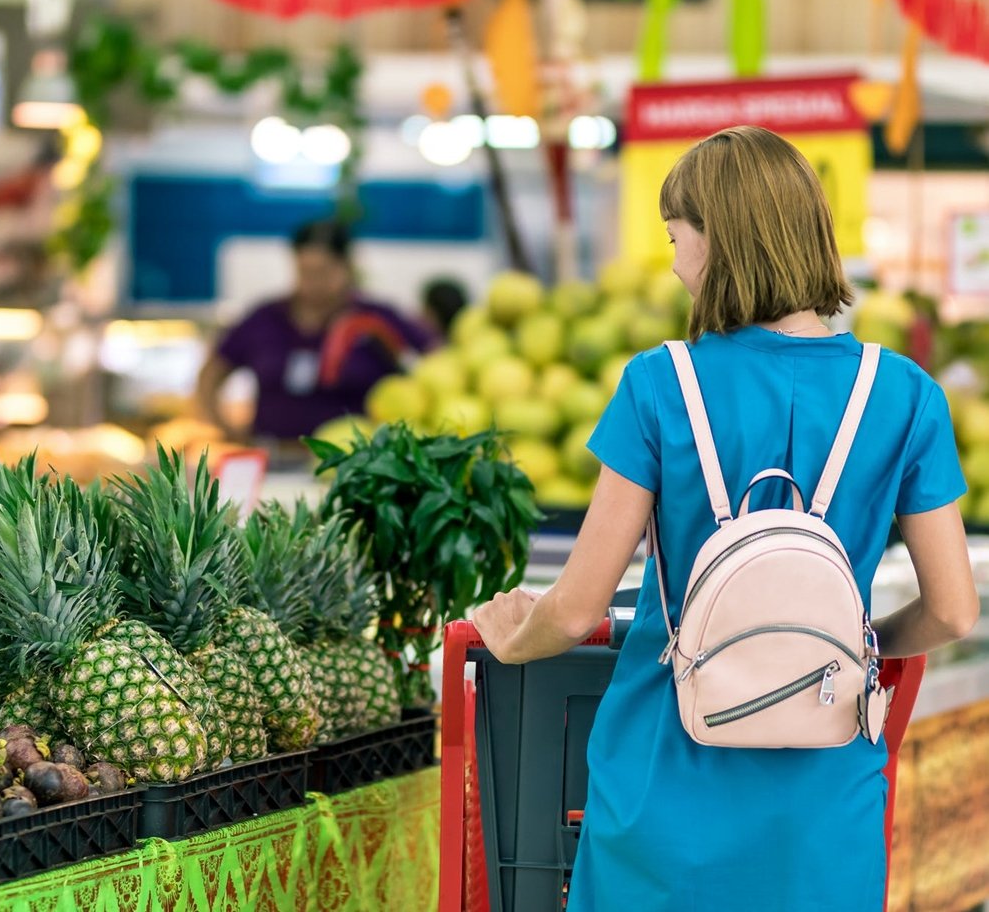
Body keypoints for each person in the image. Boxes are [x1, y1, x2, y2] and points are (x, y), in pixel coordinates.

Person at [471, 126, 979, 911]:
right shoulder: (906, 393)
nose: (675, 263)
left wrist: (512, 638)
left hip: (663, 789)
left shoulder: (659, 384)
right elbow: (951, 611)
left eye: (678, 237)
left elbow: (573, 608)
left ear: (722, 243)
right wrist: (851, 650)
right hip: (826, 794)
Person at [196, 219, 434, 442]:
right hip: (273, 460)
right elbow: (211, 374)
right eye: (305, 272)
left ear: (347, 267)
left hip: (356, 466)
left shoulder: (376, 320)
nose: (313, 283)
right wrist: (227, 431)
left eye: (323, 272)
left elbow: (434, 362)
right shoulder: (265, 319)